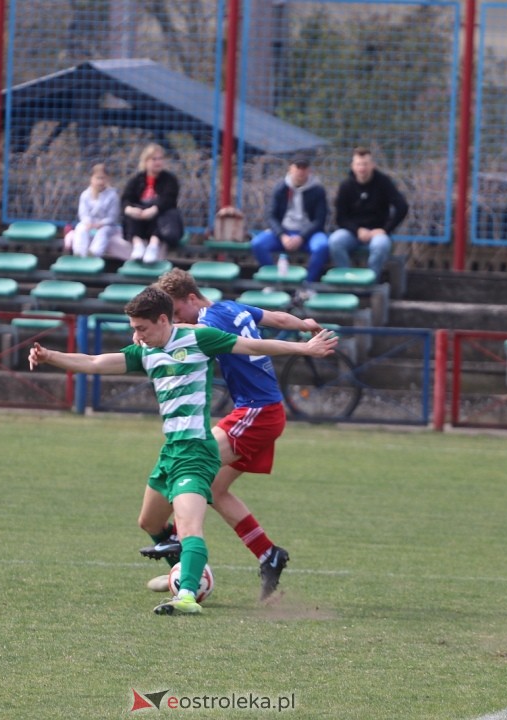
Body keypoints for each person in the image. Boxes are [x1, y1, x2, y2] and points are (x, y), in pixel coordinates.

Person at [28, 286, 337, 615]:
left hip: (196, 452)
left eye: (141, 328)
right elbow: (93, 362)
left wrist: (306, 348)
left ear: (163, 320)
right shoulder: (145, 352)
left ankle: (187, 594)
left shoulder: (200, 339)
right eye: (133, 329)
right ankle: (187, 570)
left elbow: (254, 344)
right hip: (170, 452)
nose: (137, 335)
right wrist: (50, 356)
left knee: (189, 526)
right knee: (149, 521)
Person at [138, 268, 324, 601]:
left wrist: (151, 330)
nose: (175, 319)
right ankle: (268, 554)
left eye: (177, 312)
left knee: (191, 464)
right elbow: (278, 318)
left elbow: (184, 333)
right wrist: (305, 325)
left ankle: (182, 546)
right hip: (262, 411)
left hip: (256, 411)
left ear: (192, 299)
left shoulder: (208, 322)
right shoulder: (232, 307)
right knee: (214, 488)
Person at [328, 147, 409, 278]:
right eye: (359, 164)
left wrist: (385, 229)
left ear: (372, 165)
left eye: (365, 164)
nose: (362, 168)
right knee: (335, 241)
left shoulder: (384, 182)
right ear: (353, 166)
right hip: (353, 232)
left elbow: (402, 207)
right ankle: (346, 278)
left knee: (381, 245)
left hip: (377, 232)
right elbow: (340, 218)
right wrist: (357, 230)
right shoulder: (346, 186)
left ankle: (370, 281)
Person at [250, 155, 330, 288]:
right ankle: (272, 283)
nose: (301, 171)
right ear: (290, 169)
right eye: (298, 167)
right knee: (258, 244)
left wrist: (301, 237)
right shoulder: (280, 188)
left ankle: (307, 286)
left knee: (322, 246)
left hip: (308, 235)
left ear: (309, 171)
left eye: (304, 168)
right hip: (284, 232)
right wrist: (282, 235)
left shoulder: (317, 190)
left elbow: (319, 220)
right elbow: (271, 216)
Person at [120, 143, 183, 264]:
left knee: (163, 213)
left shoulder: (169, 179)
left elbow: (169, 199)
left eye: (160, 159)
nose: (158, 162)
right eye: (154, 159)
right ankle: (138, 245)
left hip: (159, 220)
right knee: (131, 212)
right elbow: (126, 198)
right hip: (140, 220)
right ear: (146, 161)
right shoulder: (137, 179)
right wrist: (129, 209)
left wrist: (154, 209)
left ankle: (153, 246)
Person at [62, 163, 130, 259]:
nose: (100, 181)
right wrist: (88, 223)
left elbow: (113, 217)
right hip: (89, 224)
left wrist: (100, 224)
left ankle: (94, 254)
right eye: (97, 178)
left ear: (108, 179)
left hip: (107, 226)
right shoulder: (85, 195)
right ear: (91, 179)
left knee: (103, 232)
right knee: (80, 228)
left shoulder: (113, 196)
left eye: (103, 178)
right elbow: (83, 213)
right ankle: (79, 254)